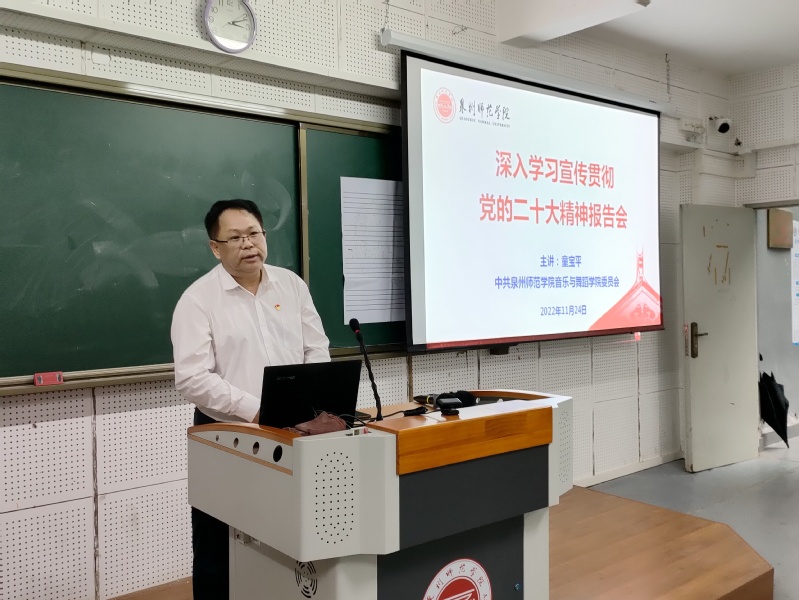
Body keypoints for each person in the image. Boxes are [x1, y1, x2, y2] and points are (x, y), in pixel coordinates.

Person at [171, 199, 330, 600]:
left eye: (254, 233)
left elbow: (316, 348)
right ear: (215, 247)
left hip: (292, 429)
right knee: (217, 539)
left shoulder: (291, 285)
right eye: (235, 238)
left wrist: (315, 399)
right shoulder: (198, 300)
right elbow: (191, 377)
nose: (248, 244)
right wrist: (254, 409)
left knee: (279, 533)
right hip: (225, 433)